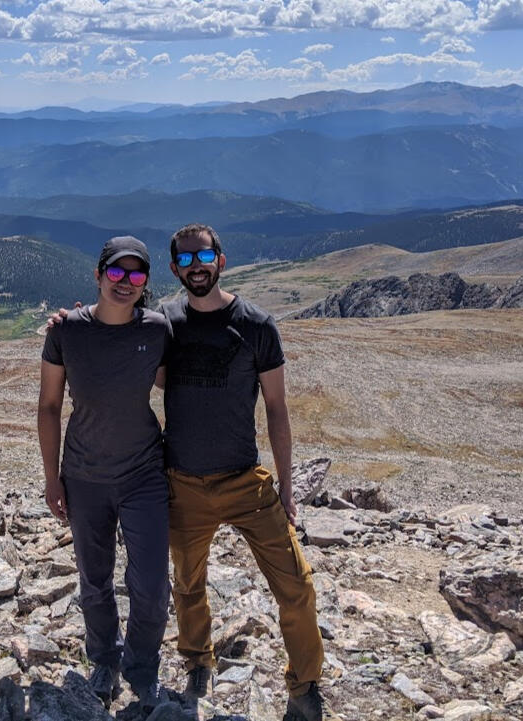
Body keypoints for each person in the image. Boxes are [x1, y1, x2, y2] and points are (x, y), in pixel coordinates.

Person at [160, 223, 327, 721]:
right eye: (186, 261)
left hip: (246, 482)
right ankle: (197, 660)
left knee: (296, 586)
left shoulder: (257, 325)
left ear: (221, 260)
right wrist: (69, 324)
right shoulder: (164, 323)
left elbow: (276, 409)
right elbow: (121, 352)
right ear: (175, 269)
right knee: (188, 584)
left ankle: (305, 685)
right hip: (183, 482)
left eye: (203, 257)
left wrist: (288, 490)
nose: (196, 267)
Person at [36, 235, 172, 712]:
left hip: (143, 473)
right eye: (117, 272)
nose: (126, 282)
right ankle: (104, 660)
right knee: (94, 581)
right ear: (97, 276)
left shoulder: (157, 330)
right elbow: (50, 407)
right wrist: (53, 478)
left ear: (145, 284)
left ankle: (141, 666)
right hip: (84, 475)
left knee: (152, 584)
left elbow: (181, 382)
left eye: (137, 275)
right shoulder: (66, 331)